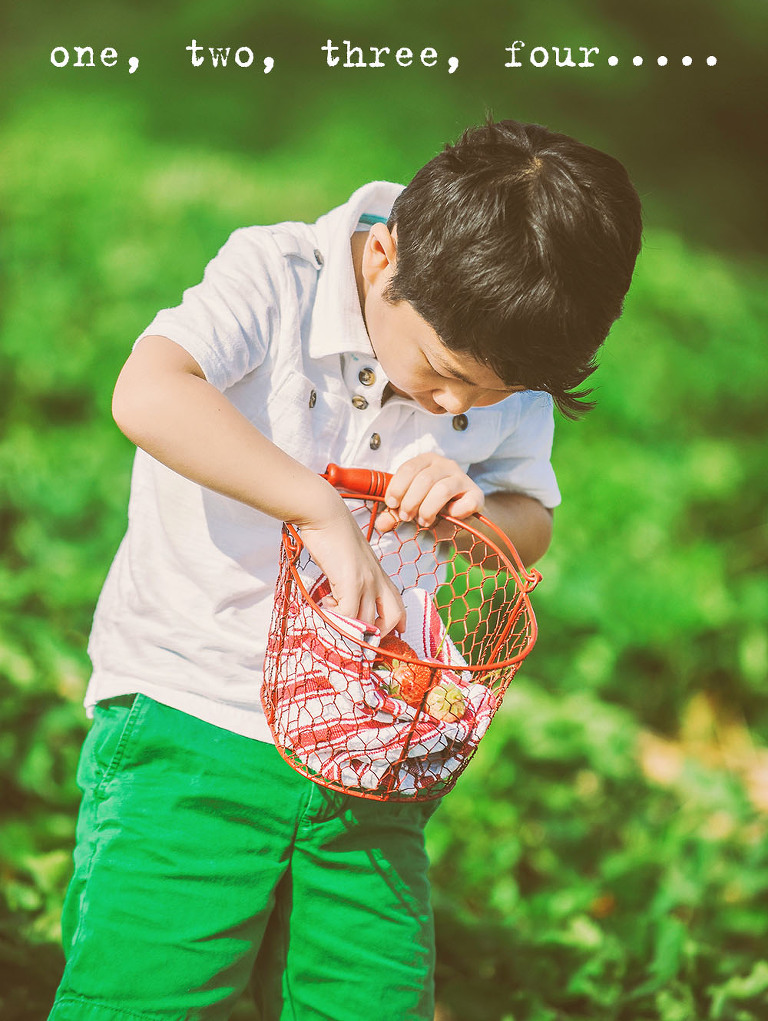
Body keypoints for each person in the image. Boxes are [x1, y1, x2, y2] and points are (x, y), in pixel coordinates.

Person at [48, 118, 642, 1020]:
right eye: (442, 373)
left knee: (369, 994)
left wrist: (478, 512)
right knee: (150, 989)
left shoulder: (509, 360)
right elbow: (149, 390)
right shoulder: (279, 276)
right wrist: (316, 505)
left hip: (375, 748)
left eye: (494, 395)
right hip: (191, 718)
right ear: (383, 261)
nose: (458, 405)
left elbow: (533, 520)